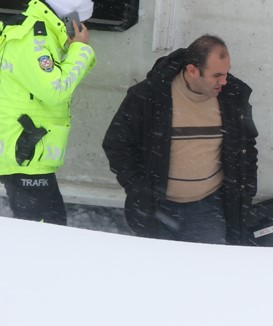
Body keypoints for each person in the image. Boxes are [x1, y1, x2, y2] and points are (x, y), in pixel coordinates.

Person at [103, 34, 259, 244]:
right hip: (158, 208)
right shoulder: (150, 96)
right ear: (193, 70)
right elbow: (117, 144)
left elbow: (247, 146)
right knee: (159, 272)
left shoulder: (232, 98)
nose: (224, 81)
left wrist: (246, 190)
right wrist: (138, 187)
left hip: (209, 208)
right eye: (217, 75)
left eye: (226, 73)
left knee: (206, 270)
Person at [0, 0, 98, 225]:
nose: (85, 28)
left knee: (46, 227)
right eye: (84, 22)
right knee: (44, 232)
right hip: (25, 152)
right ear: (73, 19)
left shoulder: (35, 31)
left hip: (25, 150)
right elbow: (55, 91)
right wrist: (80, 49)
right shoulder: (34, 39)